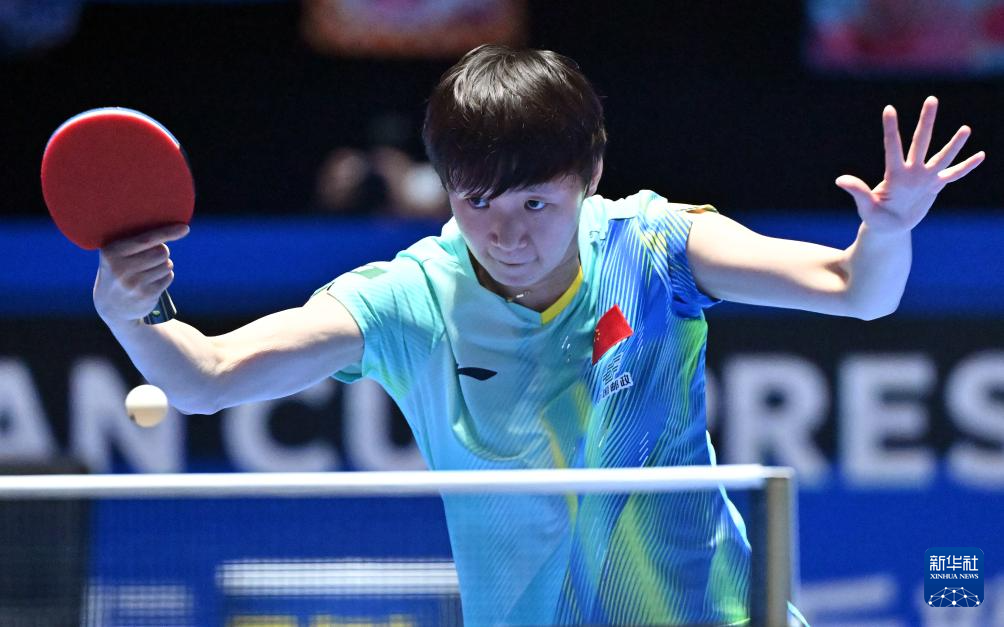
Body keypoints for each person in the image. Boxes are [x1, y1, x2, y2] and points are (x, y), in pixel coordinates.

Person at [93, 45, 984, 626]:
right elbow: (206, 377)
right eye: (477, 199)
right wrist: (133, 311)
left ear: (588, 175)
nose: (507, 233)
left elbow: (855, 291)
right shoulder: (410, 300)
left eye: (534, 202)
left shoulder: (653, 246)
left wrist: (889, 231)